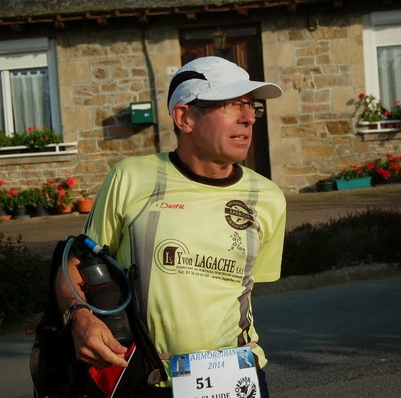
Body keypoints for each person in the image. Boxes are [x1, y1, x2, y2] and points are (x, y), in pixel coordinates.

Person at [55, 56, 287, 397]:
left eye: (251, 106)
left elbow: (246, 291)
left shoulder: (267, 197)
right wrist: (79, 317)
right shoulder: (131, 177)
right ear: (184, 117)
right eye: (231, 105)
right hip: (148, 379)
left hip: (236, 376)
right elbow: (77, 260)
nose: (249, 117)